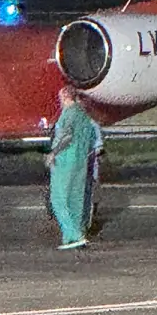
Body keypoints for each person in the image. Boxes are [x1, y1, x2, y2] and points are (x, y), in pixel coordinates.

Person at [46, 86, 96, 250]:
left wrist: (54, 152)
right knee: (76, 198)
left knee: (59, 198)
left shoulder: (69, 114)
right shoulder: (84, 116)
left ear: (66, 97)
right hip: (81, 160)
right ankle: (72, 235)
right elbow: (91, 137)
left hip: (65, 160)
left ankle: (74, 234)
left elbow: (66, 135)